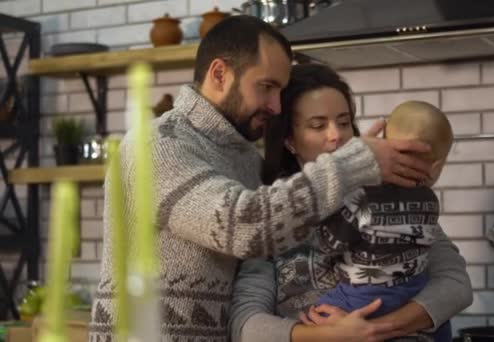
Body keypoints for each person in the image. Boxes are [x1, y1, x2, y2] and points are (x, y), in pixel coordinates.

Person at [89, 15, 436, 342]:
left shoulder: (246, 160)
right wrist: (358, 160)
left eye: (280, 91)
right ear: (220, 73)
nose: (276, 106)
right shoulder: (157, 145)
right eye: (266, 87)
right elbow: (242, 226)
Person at [229, 64, 472, 342]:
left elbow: (456, 285)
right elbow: (245, 325)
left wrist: (372, 329)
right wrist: (329, 336)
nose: (337, 135)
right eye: (318, 125)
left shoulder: (384, 197)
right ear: (289, 141)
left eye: (344, 122)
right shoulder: (273, 213)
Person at [310, 100, 455, 341]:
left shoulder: (363, 196)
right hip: (414, 289)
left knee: (314, 316)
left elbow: (328, 244)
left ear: (384, 146)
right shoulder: (430, 200)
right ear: (437, 166)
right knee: (438, 321)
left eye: (345, 122)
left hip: (363, 297)